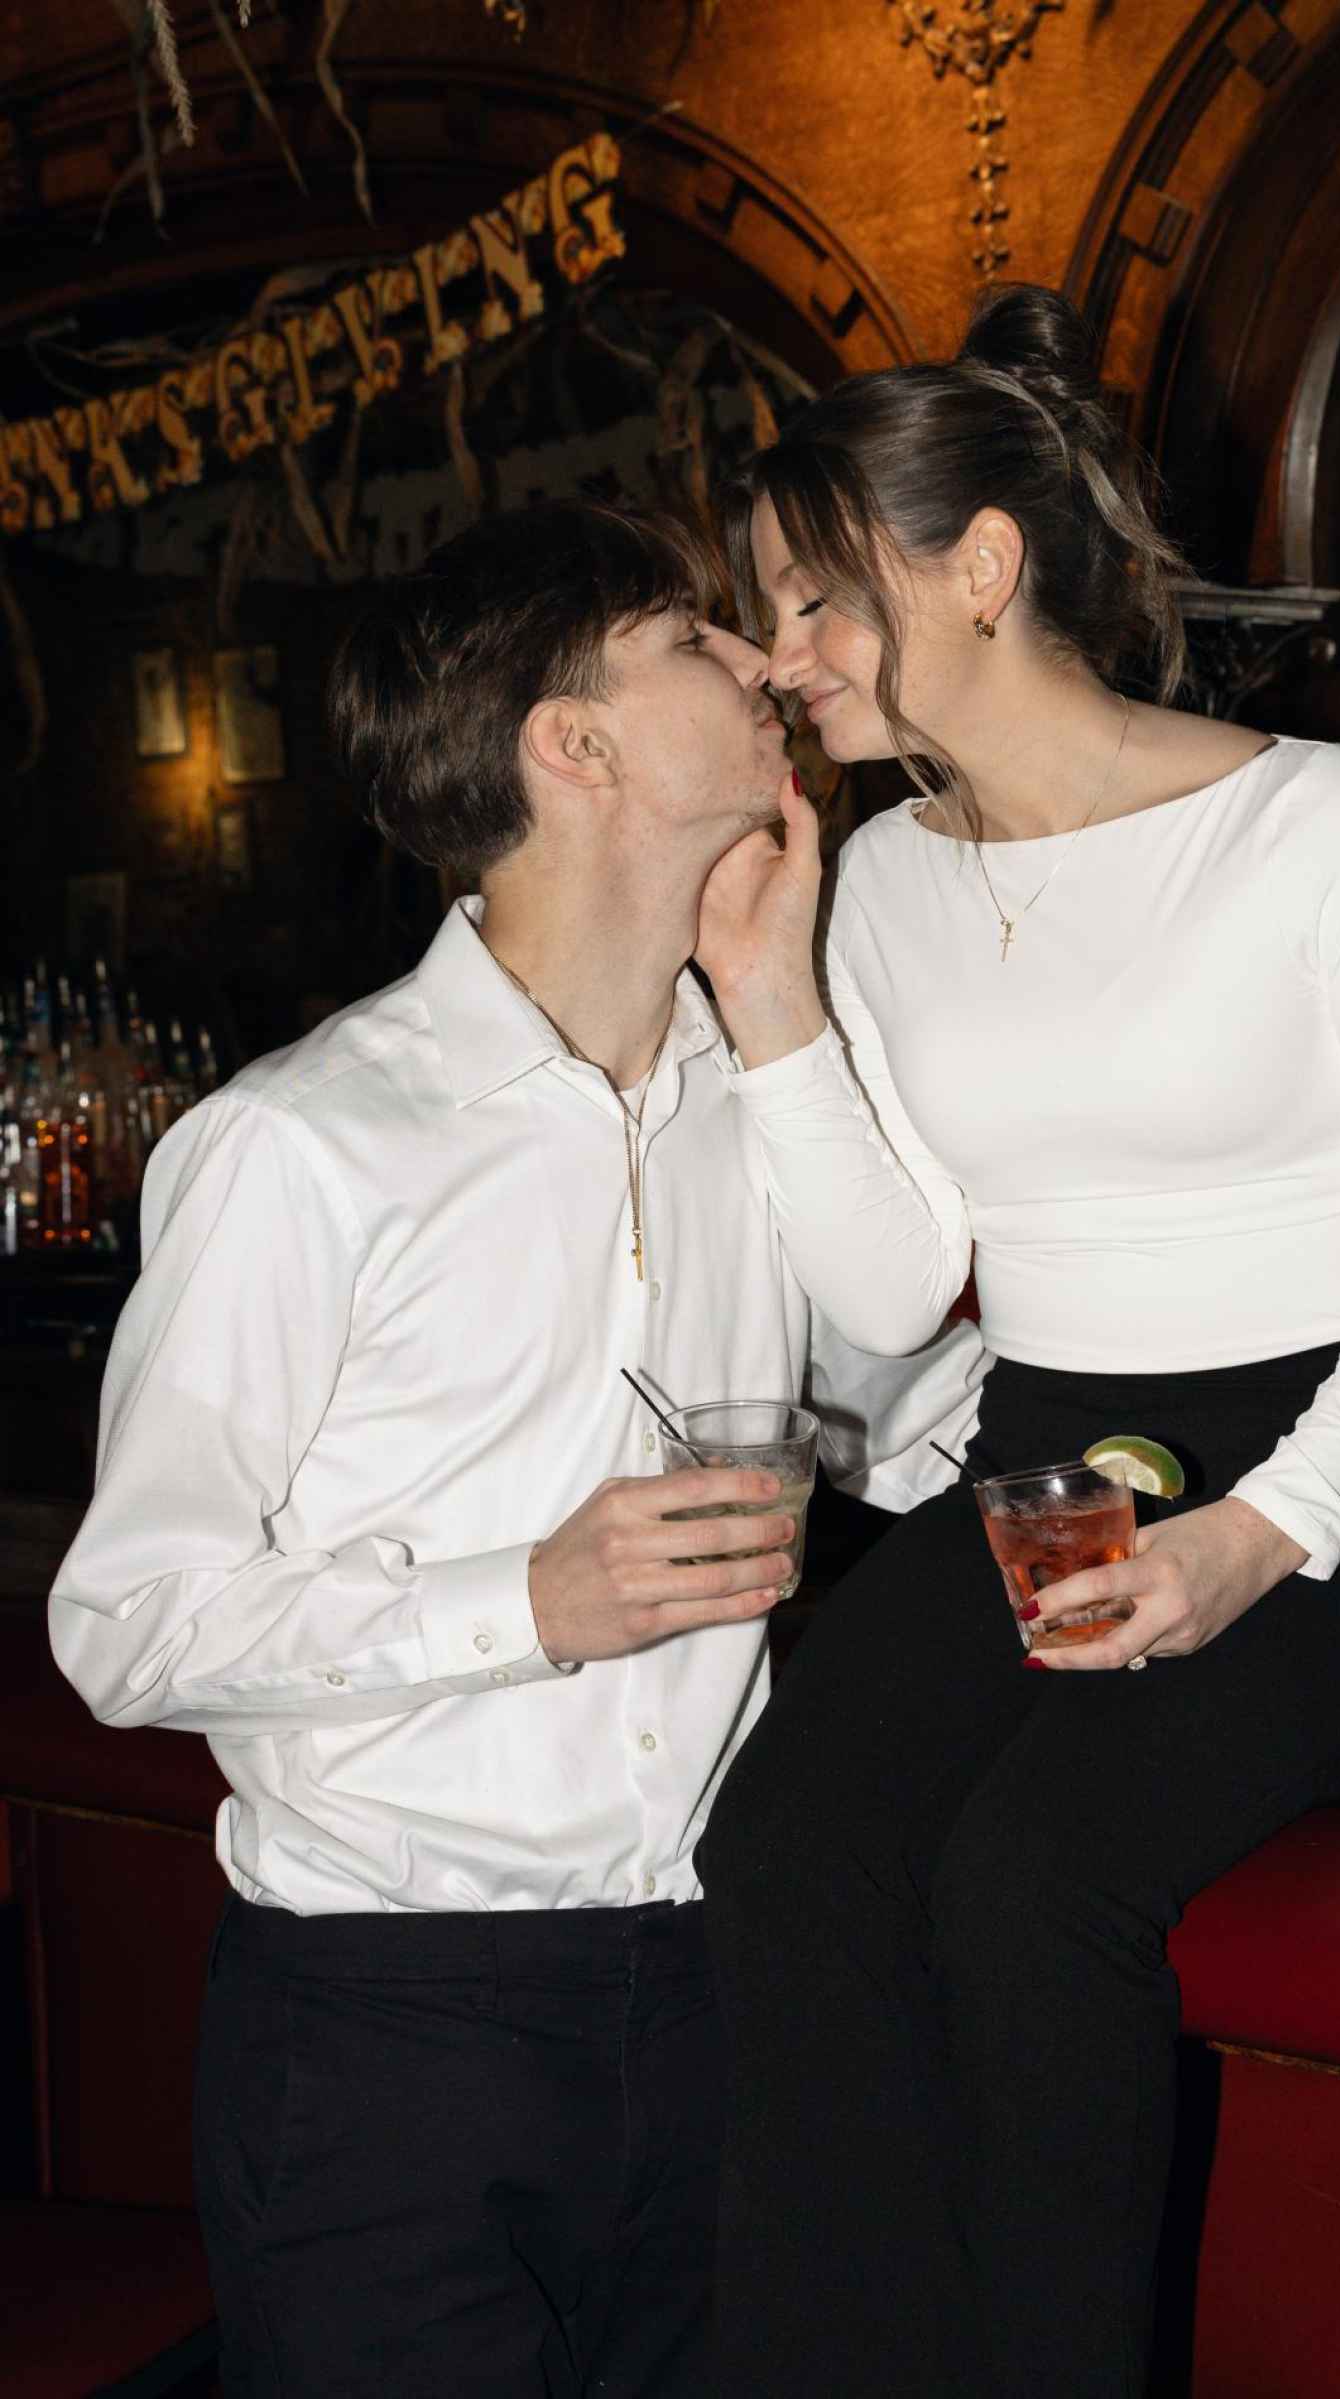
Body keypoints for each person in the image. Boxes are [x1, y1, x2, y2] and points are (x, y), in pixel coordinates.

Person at [688, 285, 1340, 2398]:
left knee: (1030, 1882)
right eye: (769, 615)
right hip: (1046, 1477)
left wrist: (1262, 1533)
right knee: (780, 1846)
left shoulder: (1319, 822)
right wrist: (771, 1002)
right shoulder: (883, 878)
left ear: (980, 566)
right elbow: (895, 1294)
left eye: (814, 601)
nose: (780, 658)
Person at [48, 498, 981, 2399]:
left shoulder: (772, 1098)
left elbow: (907, 1422)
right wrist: (529, 1601)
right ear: (575, 744)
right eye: (695, 640)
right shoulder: (303, 1145)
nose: (762, 660)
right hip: (390, 2034)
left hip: (720, 1993)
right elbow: (126, 1624)